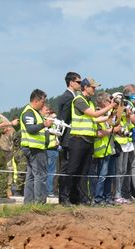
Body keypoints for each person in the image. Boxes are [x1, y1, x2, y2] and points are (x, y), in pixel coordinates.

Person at [63, 77, 115, 205]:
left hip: (88, 140)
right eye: (92, 87)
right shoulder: (79, 100)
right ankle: (65, 197)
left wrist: (110, 115)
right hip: (78, 139)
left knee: (84, 172)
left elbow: (95, 119)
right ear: (85, 87)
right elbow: (94, 115)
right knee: (72, 170)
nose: (94, 89)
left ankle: (81, 198)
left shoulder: (89, 102)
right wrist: (111, 107)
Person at [19, 89, 53, 204]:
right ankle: (40, 202)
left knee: (31, 176)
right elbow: (30, 129)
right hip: (34, 149)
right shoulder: (29, 112)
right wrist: (44, 124)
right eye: (43, 102)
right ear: (36, 101)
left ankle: (29, 202)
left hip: (33, 148)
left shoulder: (34, 112)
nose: (44, 104)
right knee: (40, 176)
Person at [54, 72, 81, 204]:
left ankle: (68, 196)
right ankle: (64, 197)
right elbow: (63, 120)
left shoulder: (70, 96)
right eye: (78, 82)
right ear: (71, 82)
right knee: (67, 168)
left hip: (69, 137)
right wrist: (60, 137)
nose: (80, 85)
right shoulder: (68, 98)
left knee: (70, 168)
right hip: (68, 138)